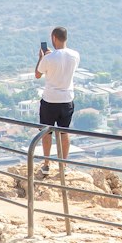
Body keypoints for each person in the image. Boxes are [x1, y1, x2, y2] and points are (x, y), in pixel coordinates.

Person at [34, 27, 79, 175]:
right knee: (64, 133)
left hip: (50, 100)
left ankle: (46, 165)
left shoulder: (48, 58)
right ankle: (63, 166)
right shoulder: (75, 55)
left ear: (54, 38)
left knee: (47, 133)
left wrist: (41, 57)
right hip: (67, 100)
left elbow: (37, 74)